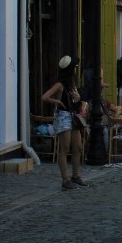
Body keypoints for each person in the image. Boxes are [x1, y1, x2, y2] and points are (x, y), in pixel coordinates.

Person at [42, 55, 87, 190]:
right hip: (63, 116)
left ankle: (76, 176)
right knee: (65, 148)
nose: (76, 69)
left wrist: (78, 98)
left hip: (73, 115)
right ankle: (65, 180)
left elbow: (76, 100)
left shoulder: (72, 83)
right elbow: (44, 97)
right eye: (74, 67)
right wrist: (57, 101)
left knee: (78, 147)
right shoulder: (60, 84)